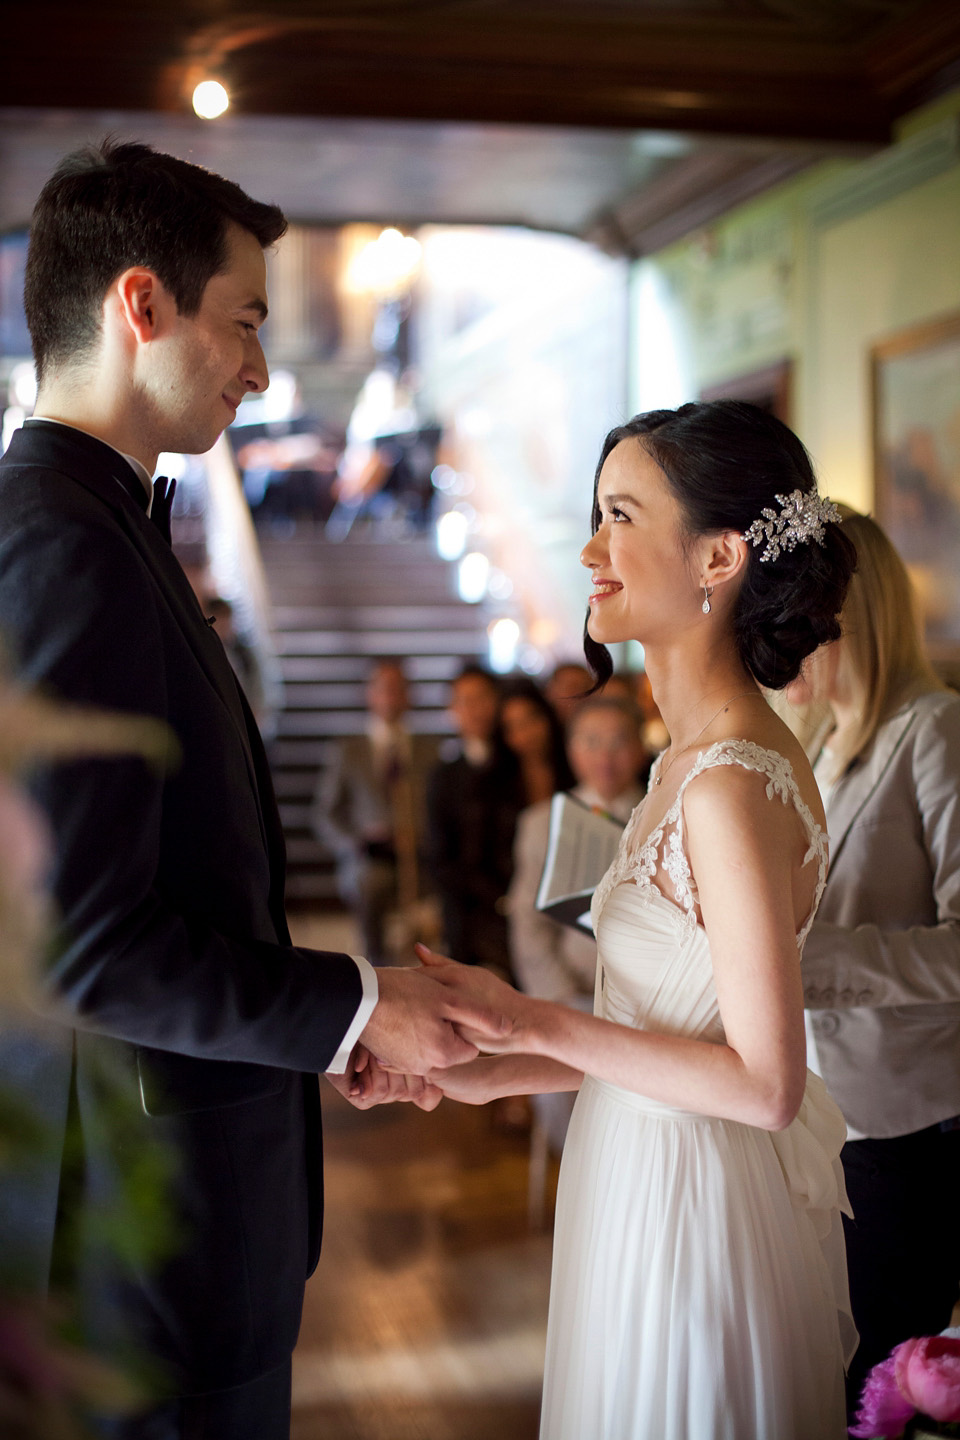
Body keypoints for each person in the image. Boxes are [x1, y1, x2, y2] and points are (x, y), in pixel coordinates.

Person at [0, 140, 501, 1440]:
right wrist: (354, 1007)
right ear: (140, 306)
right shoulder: (63, 546)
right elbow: (78, 943)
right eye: (245, 321)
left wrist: (327, 1025)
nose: (264, 370)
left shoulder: (103, 528)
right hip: (135, 1243)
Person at [394, 400, 860, 1439]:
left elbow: (767, 1084)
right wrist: (485, 1068)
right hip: (631, 1167)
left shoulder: (730, 784)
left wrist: (532, 1020)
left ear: (719, 556)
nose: (590, 548)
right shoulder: (679, 766)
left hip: (691, 1207)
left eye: (620, 515)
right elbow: (667, 1042)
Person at [788, 508, 960, 1417]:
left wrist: (813, 962)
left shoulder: (934, 730)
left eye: (802, 611)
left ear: (850, 610)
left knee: (877, 1387)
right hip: (817, 1112)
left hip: (908, 1126)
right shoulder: (816, 747)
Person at [508, 694, 645, 1150]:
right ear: (573, 750)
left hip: (646, 1003)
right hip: (569, 993)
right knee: (560, 1092)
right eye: (592, 742)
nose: (606, 756)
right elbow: (528, 925)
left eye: (619, 741)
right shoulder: (542, 822)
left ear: (639, 748)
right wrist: (559, 999)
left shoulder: (664, 814)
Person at [312, 659, 440, 965]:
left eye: (399, 688)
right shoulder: (347, 750)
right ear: (368, 694)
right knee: (371, 885)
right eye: (384, 688)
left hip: (420, 855)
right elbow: (325, 815)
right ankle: (376, 967)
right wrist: (360, 841)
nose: (391, 696)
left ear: (411, 695)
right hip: (369, 859)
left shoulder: (431, 748)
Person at [426, 664, 520, 971]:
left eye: (482, 698)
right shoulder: (443, 775)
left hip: (515, 889)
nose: (475, 709)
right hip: (464, 898)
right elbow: (439, 850)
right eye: (464, 701)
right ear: (452, 709)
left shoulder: (516, 765)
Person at [500, 677, 575, 807]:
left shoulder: (575, 768)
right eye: (515, 726)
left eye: (532, 719)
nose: (527, 733)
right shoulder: (495, 785)